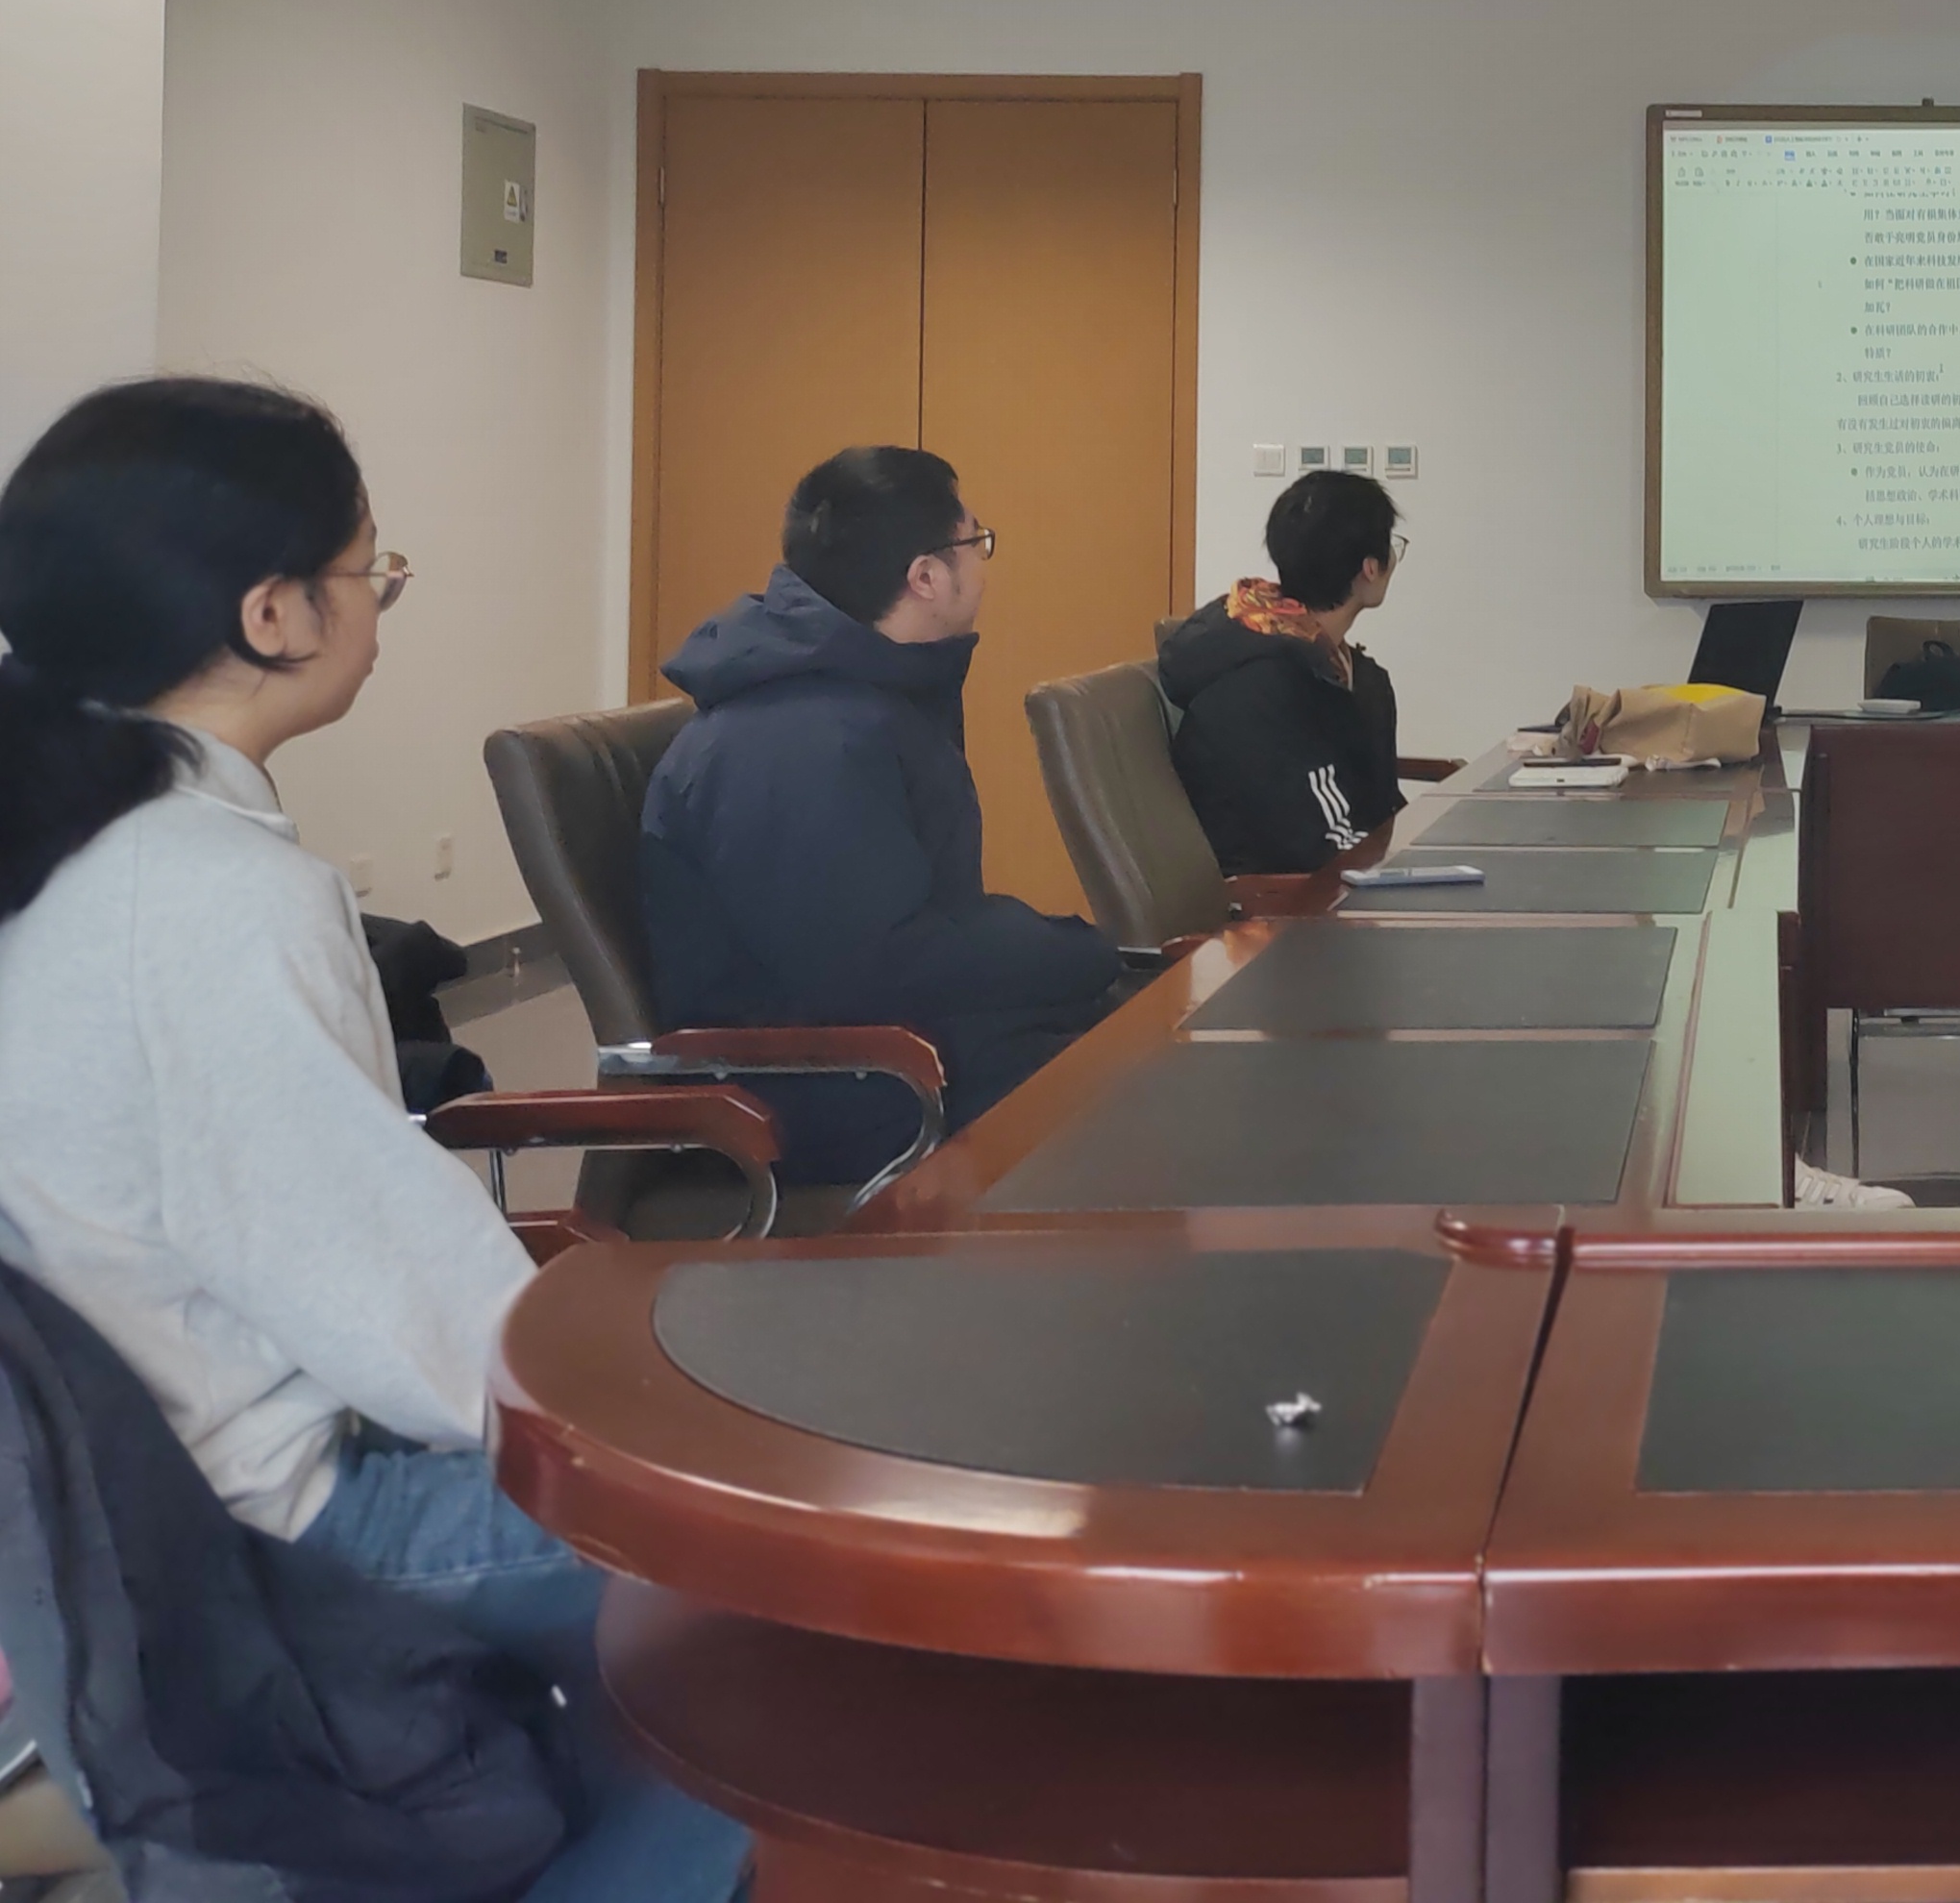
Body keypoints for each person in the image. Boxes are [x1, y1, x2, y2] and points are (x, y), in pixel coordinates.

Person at [0, 376, 743, 1897]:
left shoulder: (76, 847)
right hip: (287, 1515)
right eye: (372, 571)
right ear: (274, 614)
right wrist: (677, 1423)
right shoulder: (204, 898)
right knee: (776, 1593)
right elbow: (418, 1328)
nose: (379, 607)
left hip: (134, 1496)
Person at [639, 442, 1122, 1180]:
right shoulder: (799, 739)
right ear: (926, 577)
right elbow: (873, 969)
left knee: (1139, 1041)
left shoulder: (863, 702)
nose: (984, 564)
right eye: (976, 541)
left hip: (884, 1054)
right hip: (818, 1094)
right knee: (1137, 1090)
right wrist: (1073, 952)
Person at [1162, 467, 1408, 873]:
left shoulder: (1354, 673)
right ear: (1370, 567)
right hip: (1286, 903)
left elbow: (1380, 811)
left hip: (1352, 880)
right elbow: (1320, 850)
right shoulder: (1258, 690)